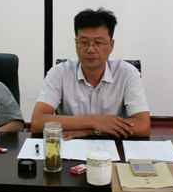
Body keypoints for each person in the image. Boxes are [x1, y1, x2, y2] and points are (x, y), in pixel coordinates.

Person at [30, 8, 150, 140]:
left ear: (111, 45)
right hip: (71, 146)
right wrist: (93, 121)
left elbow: (143, 126)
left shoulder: (127, 73)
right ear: (76, 44)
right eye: (84, 42)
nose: (91, 50)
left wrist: (91, 131)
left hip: (114, 146)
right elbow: (37, 122)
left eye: (98, 43)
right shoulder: (59, 73)